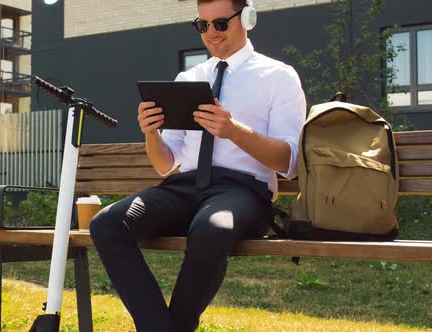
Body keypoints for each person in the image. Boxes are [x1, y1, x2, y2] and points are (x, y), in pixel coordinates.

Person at [89, 0, 306, 330]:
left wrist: (234, 131)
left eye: (219, 23)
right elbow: (166, 164)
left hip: (243, 191)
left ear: (247, 18)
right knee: (106, 224)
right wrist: (151, 134)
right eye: (202, 25)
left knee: (211, 229)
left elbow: (289, 162)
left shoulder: (278, 77)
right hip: (185, 188)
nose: (211, 33)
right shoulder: (188, 78)